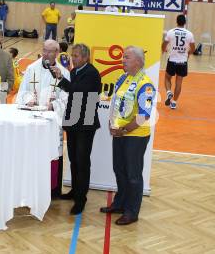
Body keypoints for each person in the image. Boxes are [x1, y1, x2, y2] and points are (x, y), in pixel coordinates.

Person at [100, 46, 156, 225]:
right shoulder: (123, 78)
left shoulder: (146, 85)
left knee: (133, 175)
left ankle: (132, 212)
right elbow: (115, 103)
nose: (123, 60)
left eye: (127, 58)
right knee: (120, 169)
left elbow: (144, 115)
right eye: (123, 57)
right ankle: (120, 203)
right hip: (119, 132)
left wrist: (124, 130)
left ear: (138, 62)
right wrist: (111, 123)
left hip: (135, 136)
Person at [51, 43, 101, 215]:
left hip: (86, 122)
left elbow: (78, 91)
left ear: (86, 57)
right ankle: (75, 190)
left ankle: (81, 199)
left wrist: (61, 79)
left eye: (77, 55)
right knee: (73, 158)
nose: (74, 58)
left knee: (82, 161)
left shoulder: (92, 73)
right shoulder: (74, 71)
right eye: (73, 55)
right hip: (73, 120)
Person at [17, 40, 70, 198]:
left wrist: (53, 106)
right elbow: (23, 91)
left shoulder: (63, 72)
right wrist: (29, 99)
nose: (46, 54)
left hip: (51, 122)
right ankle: (30, 187)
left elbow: (66, 97)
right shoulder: (32, 68)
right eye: (44, 50)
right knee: (32, 154)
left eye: (50, 51)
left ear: (57, 53)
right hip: (33, 119)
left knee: (52, 153)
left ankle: (52, 190)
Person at [162, 14, 195, 109]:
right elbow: (193, 48)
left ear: (176, 21)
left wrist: (164, 50)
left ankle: (168, 92)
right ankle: (174, 103)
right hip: (183, 61)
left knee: (167, 78)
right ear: (185, 22)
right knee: (179, 82)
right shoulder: (189, 34)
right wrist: (188, 54)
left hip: (172, 60)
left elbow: (164, 44)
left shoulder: (171, 32)